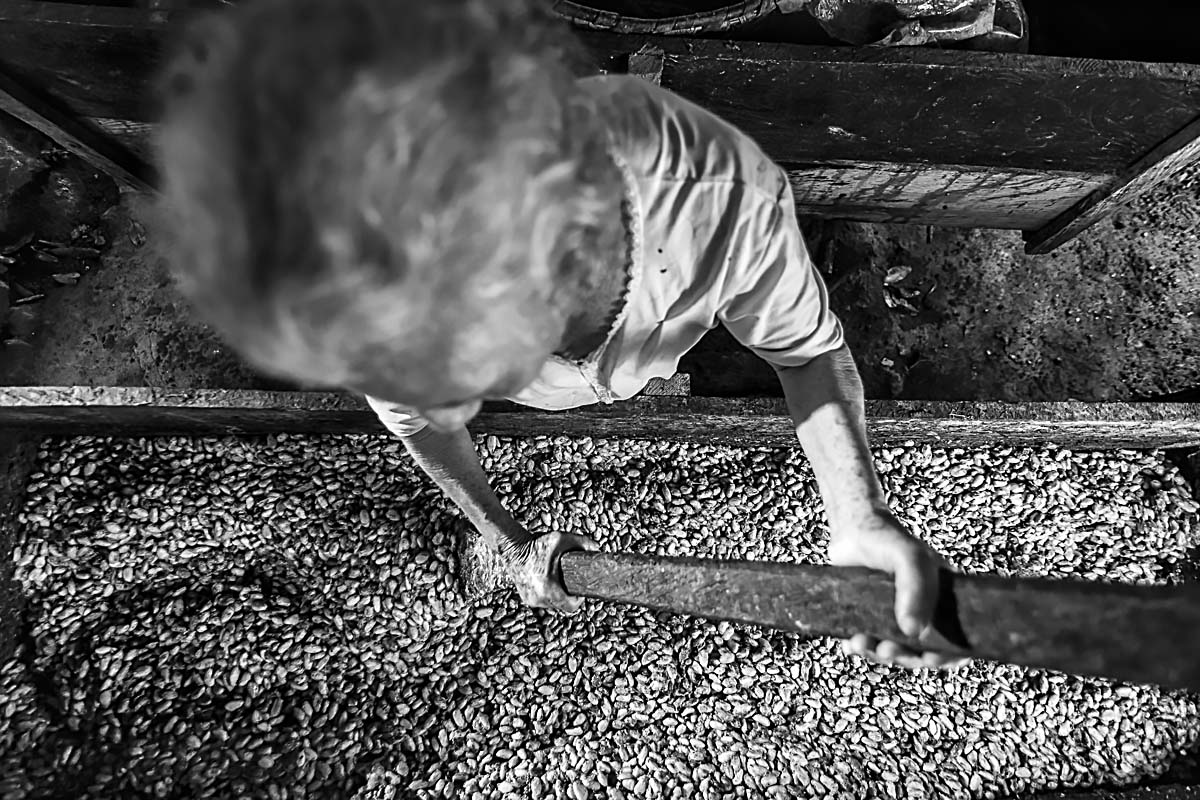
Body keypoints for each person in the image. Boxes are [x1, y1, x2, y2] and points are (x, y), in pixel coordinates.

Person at [157, 0, 963, 669]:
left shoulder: (718, 192)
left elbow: (808, 350)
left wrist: (857, 515)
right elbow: (416, 426)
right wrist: (508, 541)